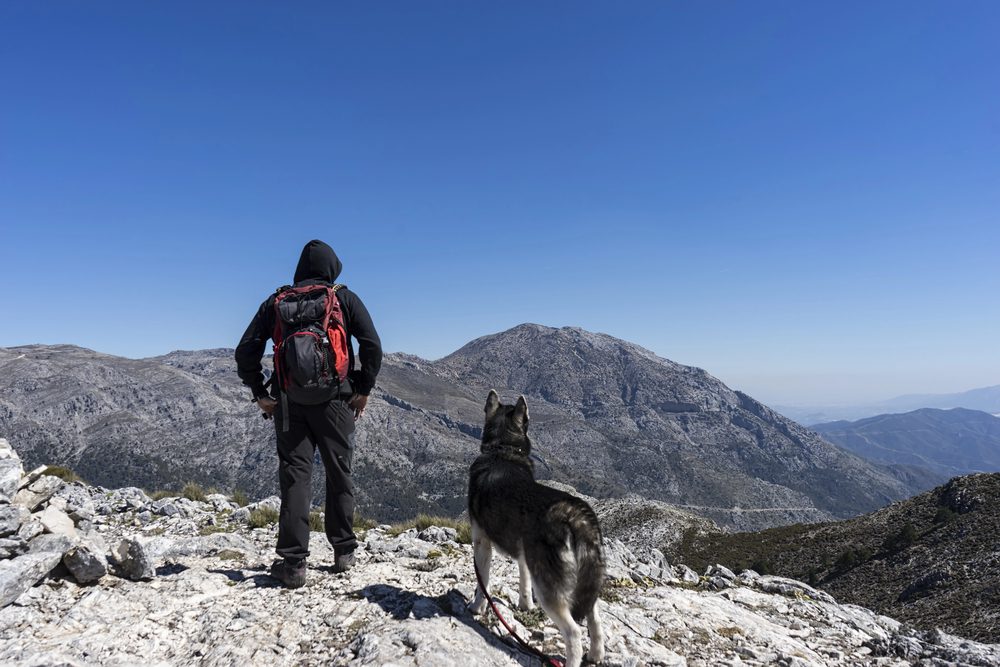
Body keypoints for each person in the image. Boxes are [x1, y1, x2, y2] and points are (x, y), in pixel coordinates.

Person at [235, 239, 382, 588]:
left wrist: (259, 392)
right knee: (339, 472)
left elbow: (245, 351)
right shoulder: (343, 298)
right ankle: (343, 552)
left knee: (295, 476)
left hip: (289, 403)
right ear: (331, 268)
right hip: (336, 401)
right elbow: (372, 346)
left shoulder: (277, 301)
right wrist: (362, 390)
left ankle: (293, 564)